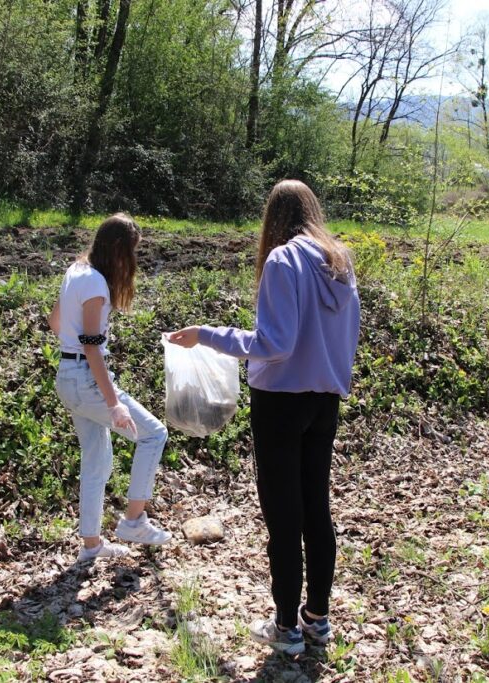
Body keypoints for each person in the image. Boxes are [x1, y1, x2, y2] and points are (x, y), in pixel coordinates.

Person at [169, 180, 361, 655]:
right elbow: (347, 336)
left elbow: (274, 345)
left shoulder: (282, 260)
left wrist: (207, 335)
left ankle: (286, 628)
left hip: (280, 401)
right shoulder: (339, 259)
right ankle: (317, 619)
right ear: (312, 210)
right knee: (316, 506)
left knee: (284, 515)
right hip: (325, 399)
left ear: (273, 217)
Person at [49, 213, 172, 561]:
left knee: (96, 459)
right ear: (119, 250)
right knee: (153, 434)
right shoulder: (96, 287)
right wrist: (113, 402)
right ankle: (134, 520)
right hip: (85, 380)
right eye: (132, 252)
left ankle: (92, 547)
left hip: (67, 376)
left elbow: (55, 322)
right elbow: (91, 348)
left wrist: (74, 350)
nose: (132, 261)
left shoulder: (76, 271)